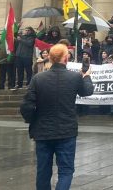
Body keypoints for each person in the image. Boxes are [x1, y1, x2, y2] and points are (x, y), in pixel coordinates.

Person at [20, 43, 94, 190]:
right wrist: (86, 77)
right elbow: (87, 91)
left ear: (51, 59)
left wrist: (33, 121)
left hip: (43, 131)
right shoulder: (75, 77)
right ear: (66, 59)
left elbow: (26, 106)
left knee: (43, 171)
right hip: (66, 131)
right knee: (66, 170)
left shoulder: (38, 78)